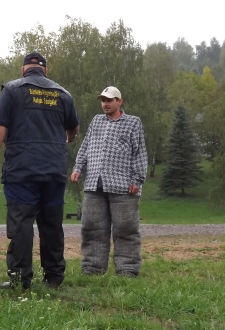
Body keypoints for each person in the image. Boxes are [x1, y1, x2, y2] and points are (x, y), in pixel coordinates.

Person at [0, 51, 80, 289]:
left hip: (22, 170)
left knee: (21, 225)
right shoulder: (63, 94)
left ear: (23, 69)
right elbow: (73, 128)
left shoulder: (12, 90)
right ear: (45, 71)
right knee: (51, 225)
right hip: (54, 170)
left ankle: (20, 279)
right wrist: (66, 140)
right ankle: (54, 278)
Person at [70, 86, 147, 277]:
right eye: (103, 100)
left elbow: (140, 153)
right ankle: (92, 268)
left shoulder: (133, 123)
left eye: (109, 100)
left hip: (123, 187)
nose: (105, 104)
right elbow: (86, 145)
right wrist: (78, 167)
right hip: (94, 184)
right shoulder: (96, 121)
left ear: (119, 101)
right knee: (92, 228)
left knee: (126, 230)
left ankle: (127, 270)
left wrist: (137, 179)